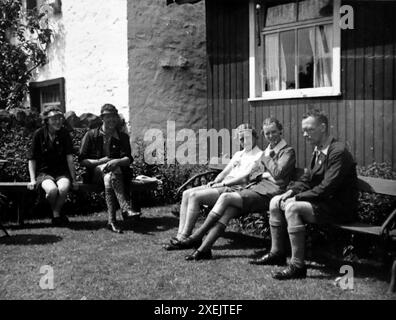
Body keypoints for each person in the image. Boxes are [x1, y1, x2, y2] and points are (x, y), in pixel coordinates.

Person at [252, 109, 358, 280]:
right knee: (275, 201)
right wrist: (290, 191)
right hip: (324, 203)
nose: (305, 134)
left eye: (309, 129)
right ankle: (277, 253)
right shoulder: (319, 149)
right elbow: (308, 179)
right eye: (303, 130)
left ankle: (297, 266)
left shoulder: (338, 151)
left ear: (323, 127)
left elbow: (326, 188)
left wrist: (297, 198)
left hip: (339, 208)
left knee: (292, 208)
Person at [182, 118, 296, 260]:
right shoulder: (268, 151)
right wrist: (265, 174)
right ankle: (203, 250)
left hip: (269, 194)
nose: (271, 136)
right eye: (267, 133)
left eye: (274, 132)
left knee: (225, 197)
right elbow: (253, 174)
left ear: (281, 131)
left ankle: (197, 235)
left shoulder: (287, 151)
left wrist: (266, 164)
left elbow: (278, 175)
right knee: (227, 211)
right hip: (256, 189)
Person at [164, 123, 263, 250]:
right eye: (241, 139)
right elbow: (225, 172)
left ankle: (185, 237)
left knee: (194, 196)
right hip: (223, 184)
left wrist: (222, 183)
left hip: (235, 188)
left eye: (247, 138)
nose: (244, 141)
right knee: (186, 193)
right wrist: (214, 181)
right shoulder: (239, 154)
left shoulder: (259, 155)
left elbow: (246, 178)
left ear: (255, 137)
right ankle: (179, 236)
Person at [79, 104, 138, 234]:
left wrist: (116, 161)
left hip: (113, 175)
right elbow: (82, 160)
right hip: (94, 175)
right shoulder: (91, 135)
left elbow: (128, 159)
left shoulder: (122, 137)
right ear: (102, 118)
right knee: (110, 172)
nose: (111, 120)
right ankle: (125, 208)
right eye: (108, 117)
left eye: (113, 116)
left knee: (109, 175)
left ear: (117, 118)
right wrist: (101, 162)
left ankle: (112, 221)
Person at [27, 105, 78, 226]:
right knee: (52, 190)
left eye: (60, 118)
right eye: (54, 119)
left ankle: (55, 213)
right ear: (47, 121)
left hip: (61, 172)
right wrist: (32, 180)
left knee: (63, 188)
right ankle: (58, 213)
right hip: (44, 172)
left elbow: (69, 158)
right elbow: (32, 159)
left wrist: (74, 180)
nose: (58, 121)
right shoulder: (38, 134)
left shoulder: (64, 134)